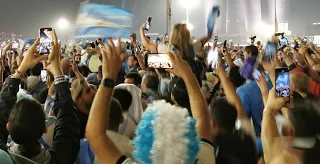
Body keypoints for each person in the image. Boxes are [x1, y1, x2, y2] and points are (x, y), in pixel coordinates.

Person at [86, 40, 214, 163]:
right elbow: (203, 121)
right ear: (190, 138)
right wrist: (188, 75)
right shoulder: (203, 160)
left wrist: (108, 77)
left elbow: (94, 135)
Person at [0, 31, 80, 163]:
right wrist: (56, 65)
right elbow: (68, 115)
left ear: (8, 126)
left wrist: (22, 67)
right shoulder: (61, 159)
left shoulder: (3, 158)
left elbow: (2, 105)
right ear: (45, 128)